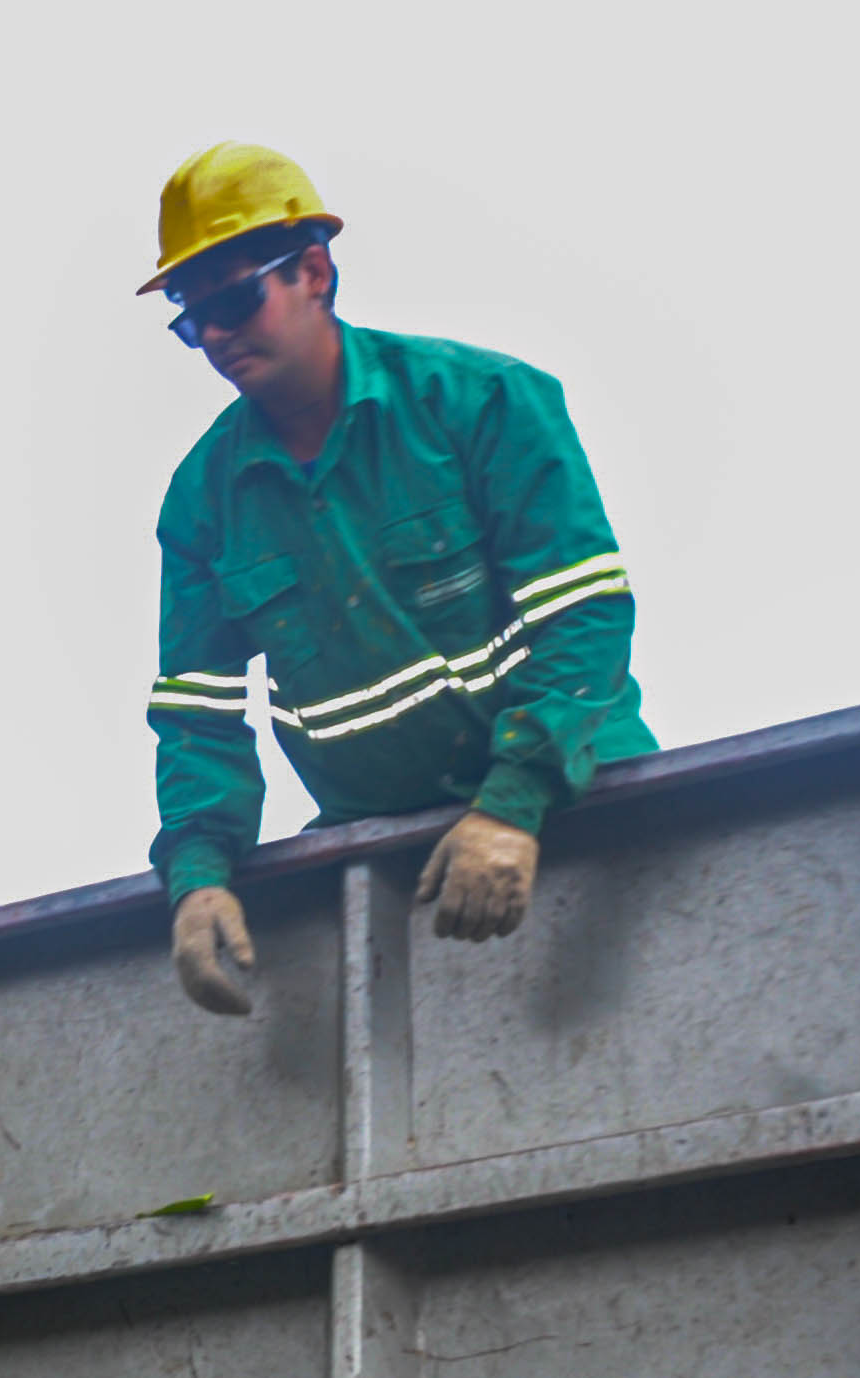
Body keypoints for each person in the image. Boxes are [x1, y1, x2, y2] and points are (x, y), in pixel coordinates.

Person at [140, 143, 652, 1016]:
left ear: (312, 271)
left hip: (581, 817)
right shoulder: (204, 501)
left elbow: (584, 619)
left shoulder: (483, 403)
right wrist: (199, 878)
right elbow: (199, 717)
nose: (217, 336)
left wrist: (512, 803)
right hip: (384, 855)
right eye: (194, 319)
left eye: (232, 300)